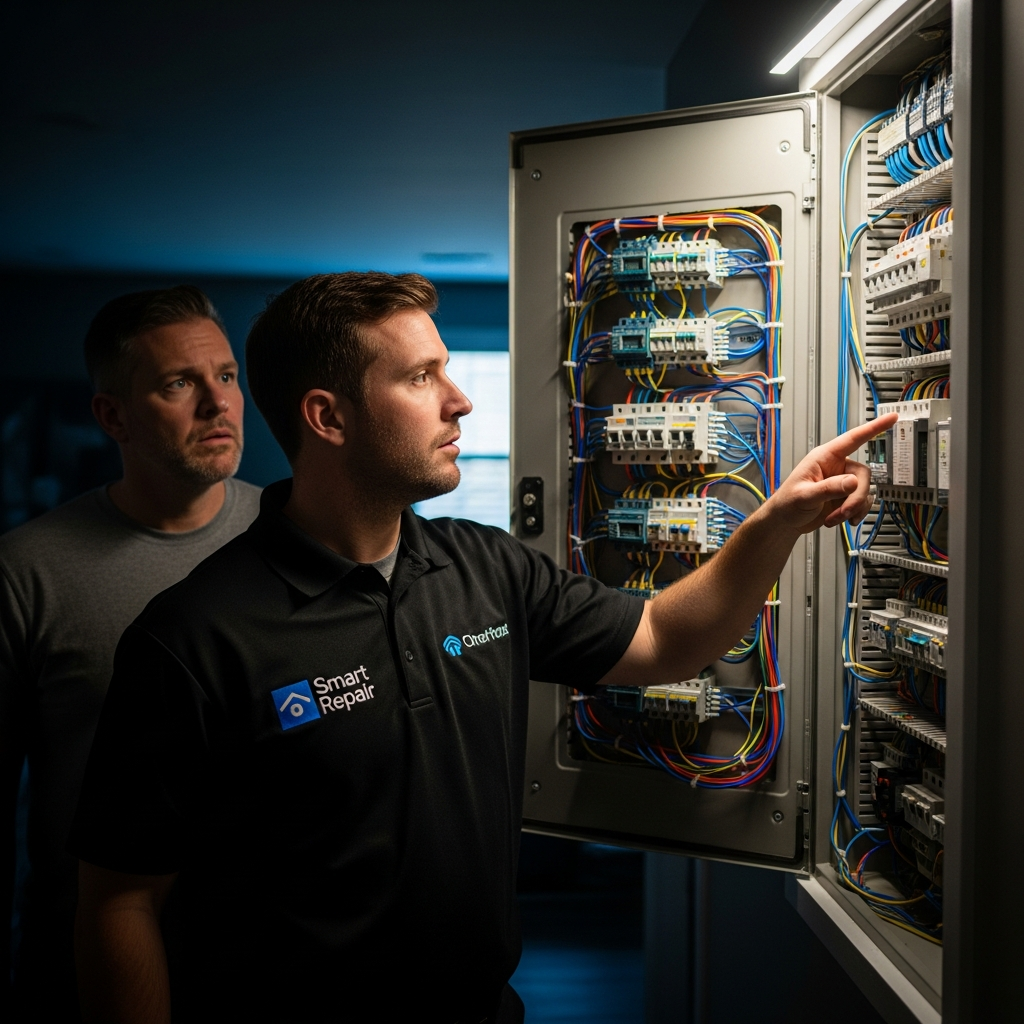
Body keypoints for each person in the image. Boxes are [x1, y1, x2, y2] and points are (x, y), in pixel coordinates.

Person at [70, 272, 897, 1024]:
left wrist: (777, 518)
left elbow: (661, 639)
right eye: (421, 378)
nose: (459, 401)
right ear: (327, 416)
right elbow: (120, 900)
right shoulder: (194, 638)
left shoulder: (482, 566)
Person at [0, 286, 262, 1021]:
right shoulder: (29, 571)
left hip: (271, 961)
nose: (218, 404)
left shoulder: (294, 537)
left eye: (227, 376)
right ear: (112, 415)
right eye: (180, 383)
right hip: (85, 967)